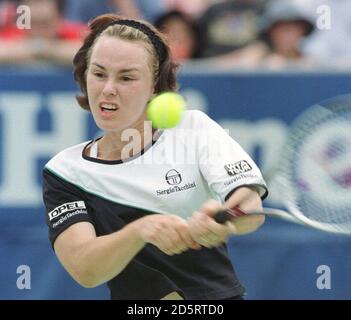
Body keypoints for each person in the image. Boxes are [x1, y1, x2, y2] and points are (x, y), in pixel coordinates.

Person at [42, 13, 268, 300]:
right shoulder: (65, 171)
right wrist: (141, 230)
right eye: (99, 74)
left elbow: (249, 205)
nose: (108, 89)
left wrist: (224, 219)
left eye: (126, 77)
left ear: (153, 87)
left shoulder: (193, 128)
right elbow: (85, 269)